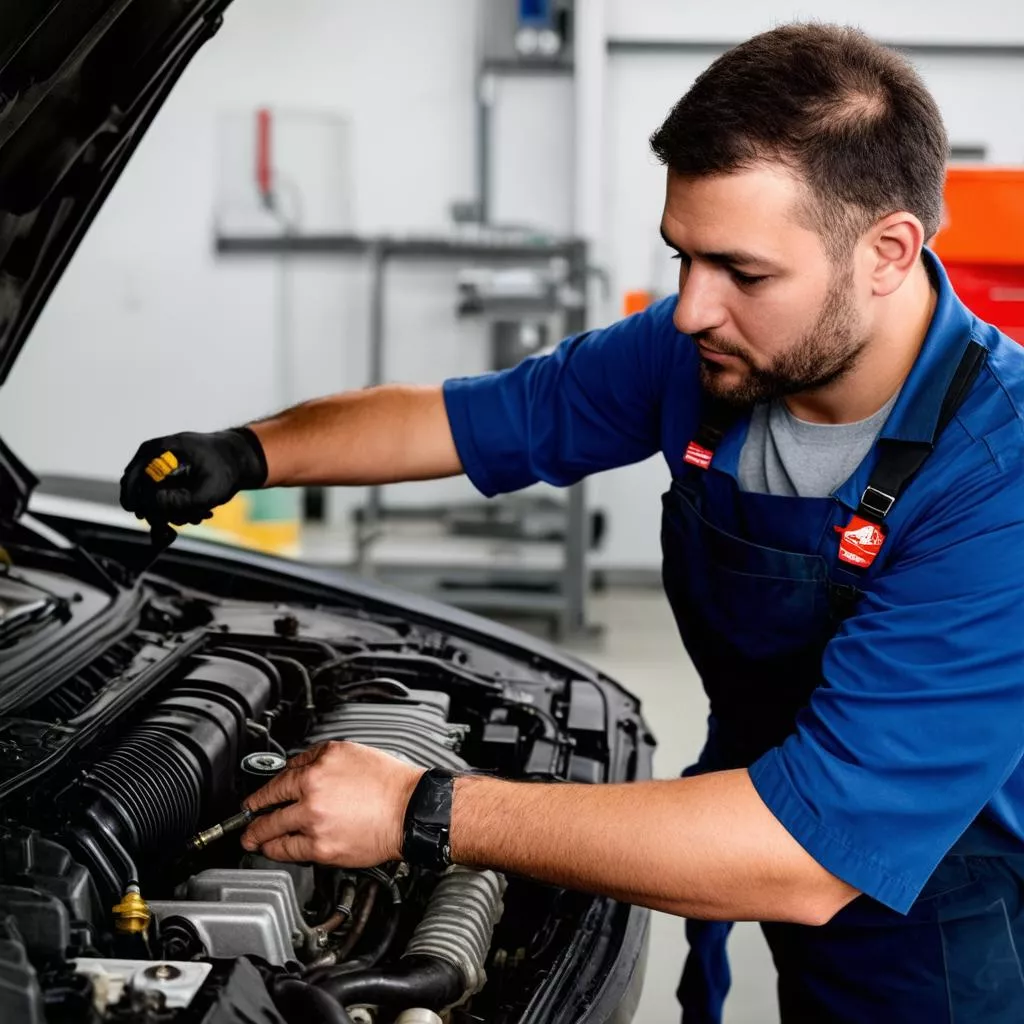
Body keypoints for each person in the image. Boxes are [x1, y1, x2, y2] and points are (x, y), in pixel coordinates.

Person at [120, 23, 1024, 1023]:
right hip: (752, 824)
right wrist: (247, 454)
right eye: (682, 256)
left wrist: (421, 809)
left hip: (953, 919)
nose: (688, 309)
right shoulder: (706, 355)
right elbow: (463, 415)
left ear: (888, 252)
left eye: (741, 272)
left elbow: (806, 855)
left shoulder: (1000, 473)